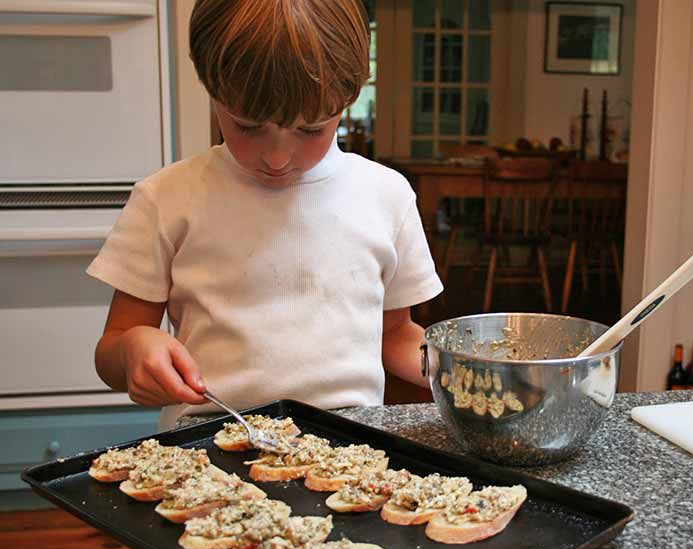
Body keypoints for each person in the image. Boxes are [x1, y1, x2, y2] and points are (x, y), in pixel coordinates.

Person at [88, 0, 442, 434]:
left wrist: (463, 373)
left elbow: (394, 334)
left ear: (348, 97)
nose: (277, 158)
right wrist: (132, 350)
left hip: (350, 446)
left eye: (310, 129)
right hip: (210, 442)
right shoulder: (167, 199)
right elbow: (111, 350)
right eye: (247, 126)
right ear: (212, 88)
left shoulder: (386, 197)